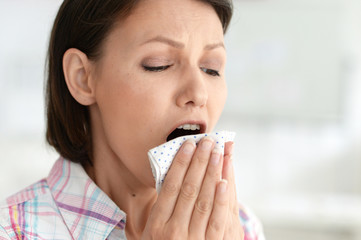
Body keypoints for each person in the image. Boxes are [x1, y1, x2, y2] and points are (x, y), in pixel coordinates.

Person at [0, 0, 265, 239]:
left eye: (212, 68)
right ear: (82, 77)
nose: (198, 93)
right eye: (158, 64)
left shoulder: (241, 227)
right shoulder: (13, 232)